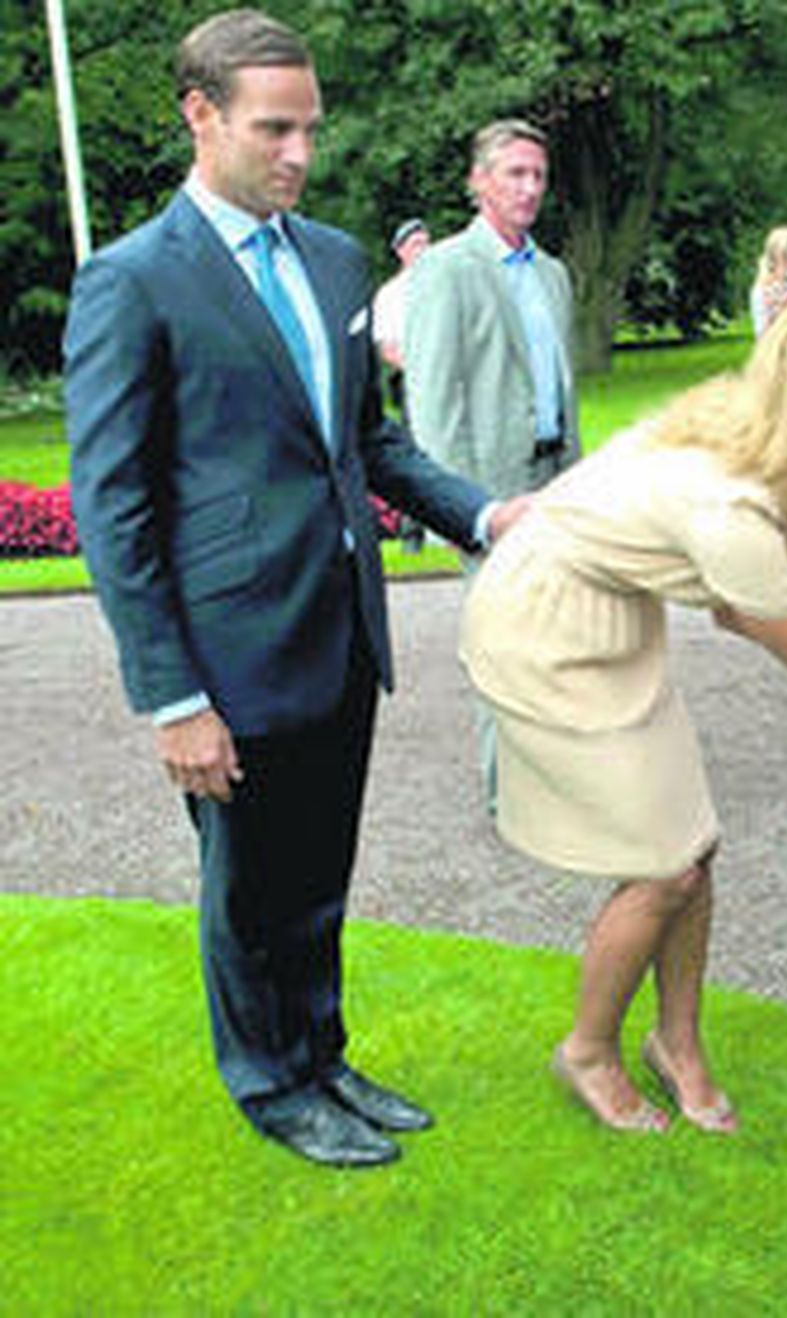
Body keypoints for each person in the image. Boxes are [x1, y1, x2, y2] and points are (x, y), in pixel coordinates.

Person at [64, 9, 526, 1169]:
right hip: (226, 659)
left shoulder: (330, 258)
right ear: (201, 116)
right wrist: (172, 699)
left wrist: (480, 512)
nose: (300, 154)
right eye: (275, 129)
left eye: (310, 128)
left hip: (338, 633)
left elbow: (362, 445)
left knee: (318, 876)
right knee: (248, 893)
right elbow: (113, 510)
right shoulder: (131, 282)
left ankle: (322, 1055)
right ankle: (270, 1083)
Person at [459, 286, 787, 1134]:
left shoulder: (753, 429)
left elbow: (737, 609)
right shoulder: (728, 508)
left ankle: (676, 1045)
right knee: (662, 867)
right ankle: (588, 1050)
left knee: (693, 845)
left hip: (609, 618)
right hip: (542, 635)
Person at [403, 118, 580, 803]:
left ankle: (555, 775)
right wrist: (462, 506)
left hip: (554, 483)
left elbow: (561, 389)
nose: (530, 187)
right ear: (479, 182)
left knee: (559, 634)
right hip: (489, 490)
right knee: (503, 638)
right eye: (514, 173)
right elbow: (433, 399)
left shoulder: (553, 274)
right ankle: (509, 789)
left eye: (537, 174)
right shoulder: (446, 270)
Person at [373, 217, 429, 373]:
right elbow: (388, 348)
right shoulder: (389, 295)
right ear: (400, 251)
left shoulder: (443, 287)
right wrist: (419, 370)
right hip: (410, 377)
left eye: (426, 243)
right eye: (416, 244)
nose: (423, 250)